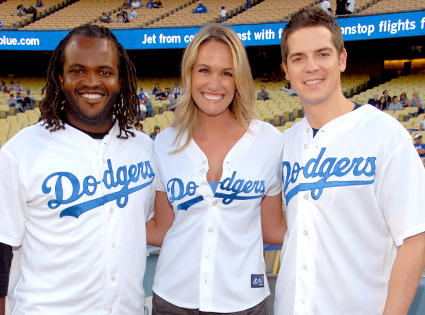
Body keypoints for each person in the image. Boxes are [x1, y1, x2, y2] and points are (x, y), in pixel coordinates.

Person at [275, 7, 425, 315]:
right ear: (286, 70)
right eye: (298, 58)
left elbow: (414, 239)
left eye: (323, 54)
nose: (311, 67)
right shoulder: (286, 141)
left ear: (342, 59)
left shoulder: (385, 134)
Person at [0, 24, 156, 314]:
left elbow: (144, 225)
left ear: (121, 80)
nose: (92, 81)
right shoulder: (21, 151)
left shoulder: (144, 148)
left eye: (105, 71)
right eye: (78, 70)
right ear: (60, 78)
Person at [147, 24, 286, 315]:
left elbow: (272, 227)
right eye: (204, 70)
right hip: (173, 298)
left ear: (239, 80)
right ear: (189, 74)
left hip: (243, 301)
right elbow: (163, 228)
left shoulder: (269, 142)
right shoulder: (164, 143)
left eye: (227, 73)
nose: (215, 84)